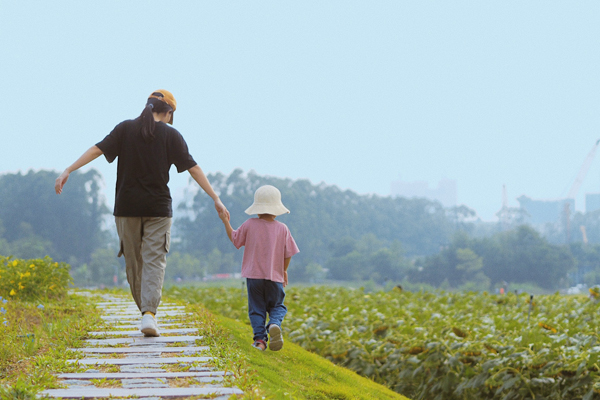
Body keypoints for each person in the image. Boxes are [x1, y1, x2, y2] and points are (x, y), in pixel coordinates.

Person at [55, 89, 229, 337]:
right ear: (168, 113)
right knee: (154, 260)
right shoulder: (171, 135)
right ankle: (149, 314)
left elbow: (97, 149)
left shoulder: (125, 129)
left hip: (126, 208)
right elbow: (193, 168)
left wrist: (68, 170)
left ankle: (147, 314)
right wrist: (216, 198)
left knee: (134, 263)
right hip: (158, 209)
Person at [218, 185, 299, 351]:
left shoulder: (250, 224)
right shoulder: (282, 229)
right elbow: (289, 253)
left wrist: (225, 221)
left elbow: (235, 239)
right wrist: (283, 271)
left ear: (257, 208)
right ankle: (274, 324)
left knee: (257, 309)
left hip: (254, 277)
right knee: (277, 306)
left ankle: (260, 341)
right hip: (274, 277)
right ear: (277, 209)